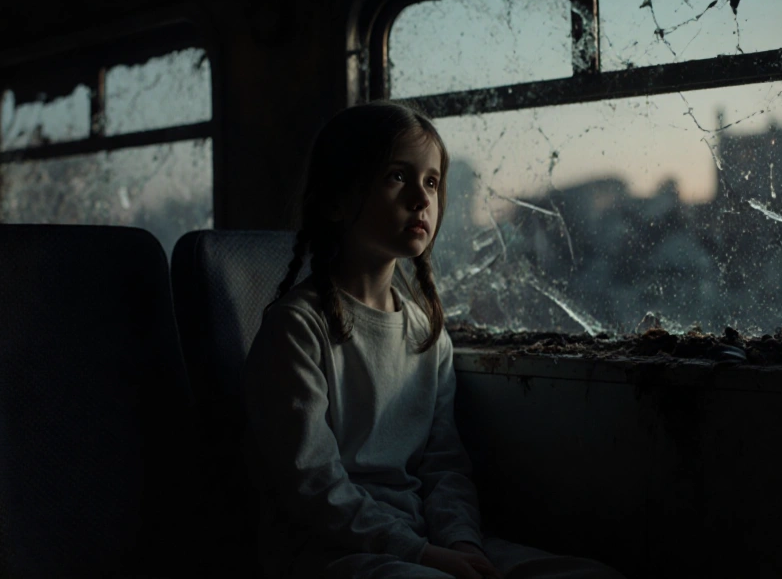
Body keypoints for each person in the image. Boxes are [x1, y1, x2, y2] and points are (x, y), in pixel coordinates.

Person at [243, 101, 624, 579]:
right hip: (332, 551)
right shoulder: (297, 328)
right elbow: (311, 485)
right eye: (398, 177)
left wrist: (462, 545)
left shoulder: (427, 335)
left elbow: (443, 465)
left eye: (431, 182)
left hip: (423, 540)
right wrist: (420, 554)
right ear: (337, 200)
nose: (421, 199)